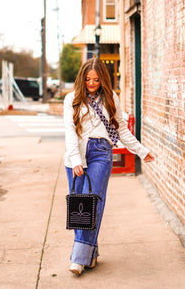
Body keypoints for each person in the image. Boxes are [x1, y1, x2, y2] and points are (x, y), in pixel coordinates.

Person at [64, 58, 154, 276]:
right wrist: (76, 160)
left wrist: (141, 150)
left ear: (103, 79)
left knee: (91, 203)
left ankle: (78, 258)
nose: (92, 83)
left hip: (101, 153)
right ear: (82, 78)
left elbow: (121, 129)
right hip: (76, 155)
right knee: (79, 206)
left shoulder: (111, 97)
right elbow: (69, 130)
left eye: (96, 79)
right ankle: (90, 253)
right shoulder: (72, 98)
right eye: (87, 79)